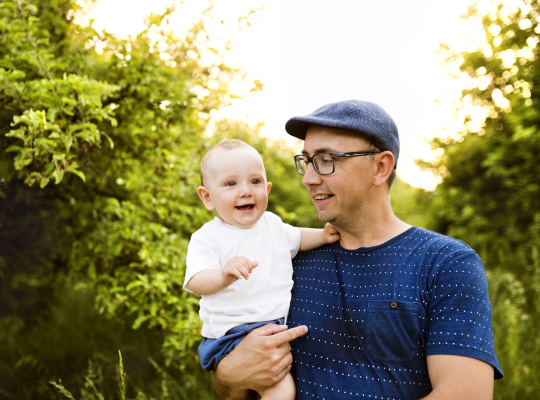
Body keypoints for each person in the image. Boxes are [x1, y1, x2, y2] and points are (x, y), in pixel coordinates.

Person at [211, 100, 503, 400]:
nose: (308, 178)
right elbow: (236, 385)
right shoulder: (284, 260)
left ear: (380, 167)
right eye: (306, 160)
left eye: (326, 160)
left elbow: (467, 394)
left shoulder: (446, 264)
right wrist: (229, 374)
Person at [184, 139, 340, 399]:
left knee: (282, 386)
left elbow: (298, 237)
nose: (246, 191)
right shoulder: (208, 237)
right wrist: (223, 275)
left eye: (255, 182)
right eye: (231, 184)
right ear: (207, 197)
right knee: (282, 388)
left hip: (272, 329)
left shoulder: (273, 225)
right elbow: (197, 280)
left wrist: (323, 236)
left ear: (267, 188)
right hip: (231, 334)